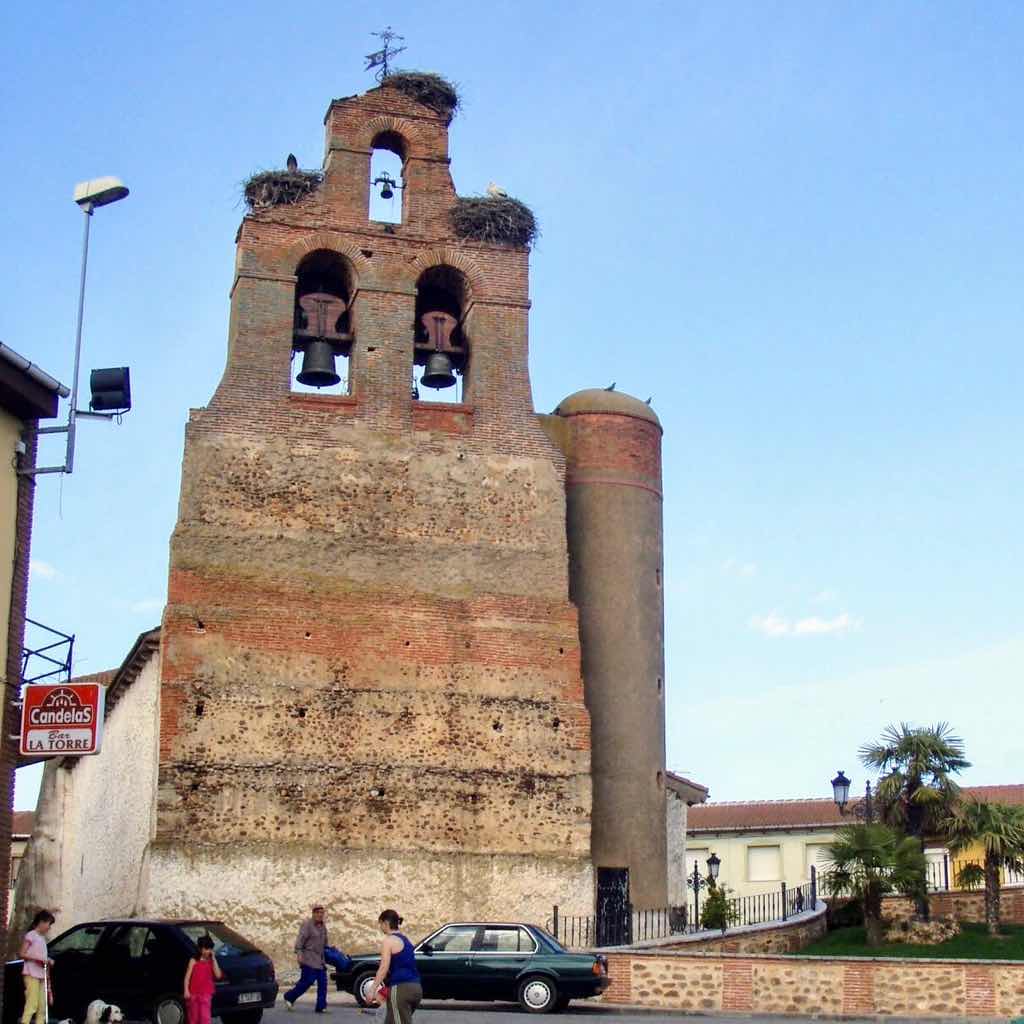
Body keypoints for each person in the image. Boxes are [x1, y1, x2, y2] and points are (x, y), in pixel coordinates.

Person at [369, 910, 421, 1024]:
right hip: (416, 988)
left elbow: (383, 968)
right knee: (390, 1020)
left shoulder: (388, 941)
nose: (380, 928)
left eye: (380, 924)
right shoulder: (406, 940)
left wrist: (372, 989)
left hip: (401, 989)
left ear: (385, 923)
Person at [284, 904, 329, 1013]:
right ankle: (289, 997)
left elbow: (325, 943)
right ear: (313, 914)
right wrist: (299, 955)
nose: (320, 915)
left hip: (320, 961)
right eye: (317, 912)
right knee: (307, 982)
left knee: (323, 983)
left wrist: (330, 948)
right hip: (308, 959)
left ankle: (320, 1006)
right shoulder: (307, 925)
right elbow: (300, 941)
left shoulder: (323, 926)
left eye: (322, 913)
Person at [19, 910, 55, 1024]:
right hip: (31, 974)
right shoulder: (31, 935)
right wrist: (39, 959)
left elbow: (42, 957)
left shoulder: (43, 939)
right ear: (42, 922)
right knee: (32, 1004)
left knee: (42, 1006)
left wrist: (48, 960)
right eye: (49, 924)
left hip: (41, 975)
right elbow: (22, 953)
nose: (49, 927)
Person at [184, 935, 223, 1024]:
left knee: (205, 1018)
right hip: (193, 994)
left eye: (209, 949)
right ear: (200, 948)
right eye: (205, 949)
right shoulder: (193, 961)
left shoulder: (211, 961)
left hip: (206, 994)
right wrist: (186, 990)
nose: (207, 951)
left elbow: (218, 975)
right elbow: (187, 977)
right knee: (193, 1018)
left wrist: (214, 959)